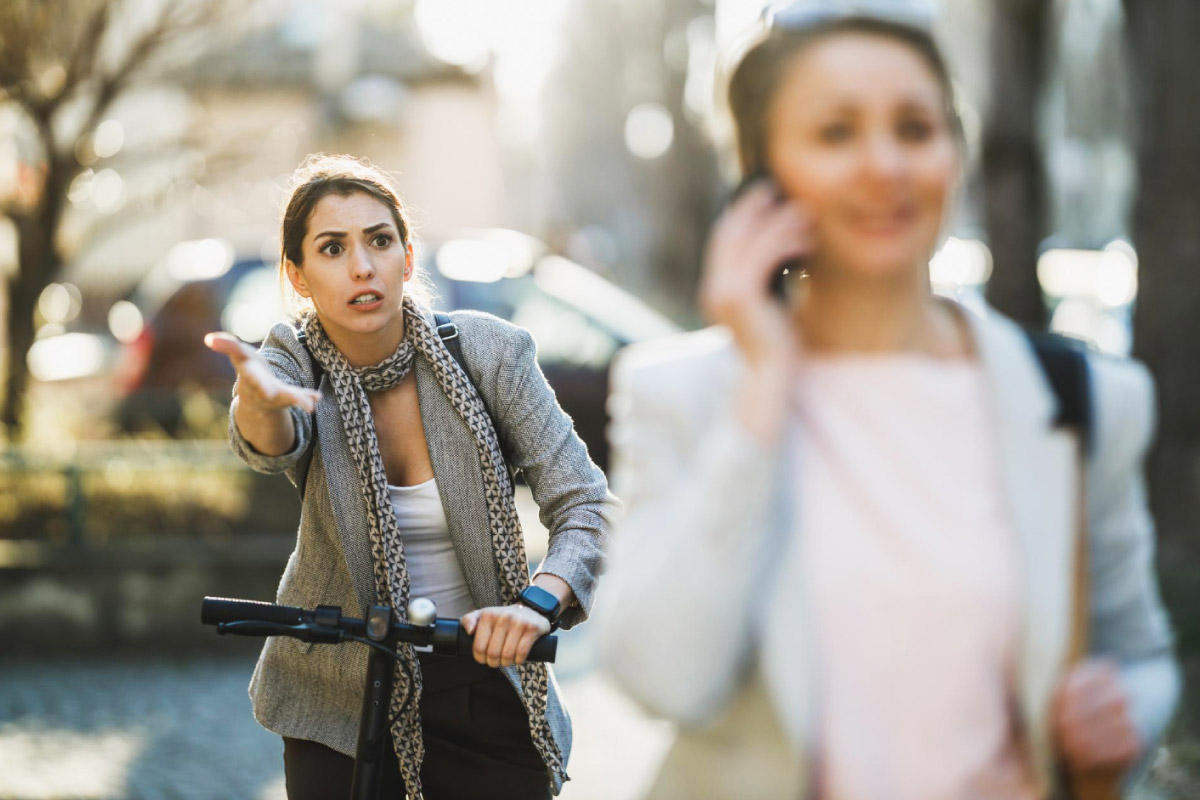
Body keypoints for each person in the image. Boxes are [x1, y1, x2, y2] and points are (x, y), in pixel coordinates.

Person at [598, 4, 1179, 799]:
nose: (885, 165)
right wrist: (761, 394)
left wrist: (1123, 722)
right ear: (763, 173)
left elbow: (1140, 658)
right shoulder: (683, 394)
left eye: (915, 129)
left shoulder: (1085, 402)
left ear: (955, 152)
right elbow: (664, 678)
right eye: (836, 133)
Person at [205, 153, 616, 799]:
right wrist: (258, 404)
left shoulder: (489, 352)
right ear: (298, 276)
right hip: (337, 695)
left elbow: (586, 503)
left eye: (379, 240)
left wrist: (536, 605)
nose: (362, 266)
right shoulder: (292, 359)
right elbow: (272, 442)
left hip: (484, 675)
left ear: (407, 257)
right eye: (332, 248)